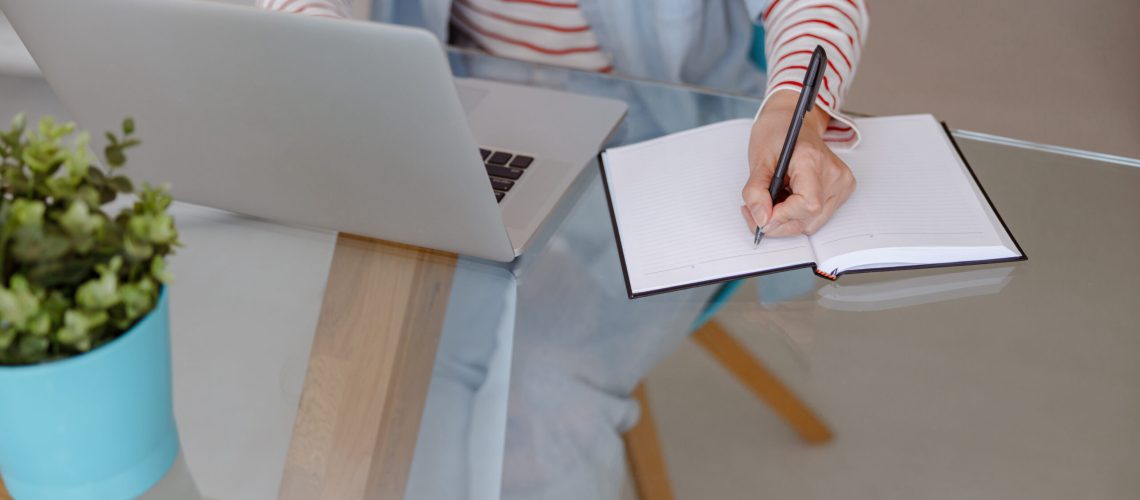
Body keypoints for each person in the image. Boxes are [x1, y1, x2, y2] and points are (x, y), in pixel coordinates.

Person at [256, 1, 867, 498]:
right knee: (389, 375)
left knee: (547, 397)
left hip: (659, 142)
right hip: (460, 121)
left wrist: (796, 112)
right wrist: (326, 49)